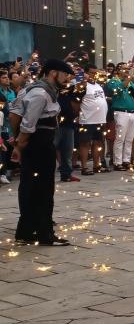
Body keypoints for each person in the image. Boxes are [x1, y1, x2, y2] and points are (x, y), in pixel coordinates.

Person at [12, 60, 74, 245]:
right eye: (64, 75)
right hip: (38, 143)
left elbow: (15, 112)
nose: (66, 79)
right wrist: (19, 144)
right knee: (43, 188)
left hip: (39, 142)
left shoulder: (37, 89)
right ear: (53, 73)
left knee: (32, 186)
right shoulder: (40, 93)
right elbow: (27, 122)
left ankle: (27, 231)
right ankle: (43, 233)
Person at [106, 64, 134, 170]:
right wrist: (127, 80)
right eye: (125, 69)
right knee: (120, 138)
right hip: (120, 112)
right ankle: (117, 162)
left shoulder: (130, 82)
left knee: (129, 139)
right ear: (118, 71)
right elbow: (115, 92)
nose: (127, 71)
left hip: (131, 112)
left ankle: (126, 160)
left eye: (128, 69)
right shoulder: (113, 81)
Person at [77, 65, 106, 175]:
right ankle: (84, 167)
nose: (94, 75)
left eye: (96, 73)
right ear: (87, 73)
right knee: (85, 143)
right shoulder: (83, 85)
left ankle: (96, 165)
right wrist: (81, 76)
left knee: (97, 142)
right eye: (92, 72)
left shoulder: (98, 86)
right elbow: (77, 94)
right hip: (87, 119)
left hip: (99, 119)